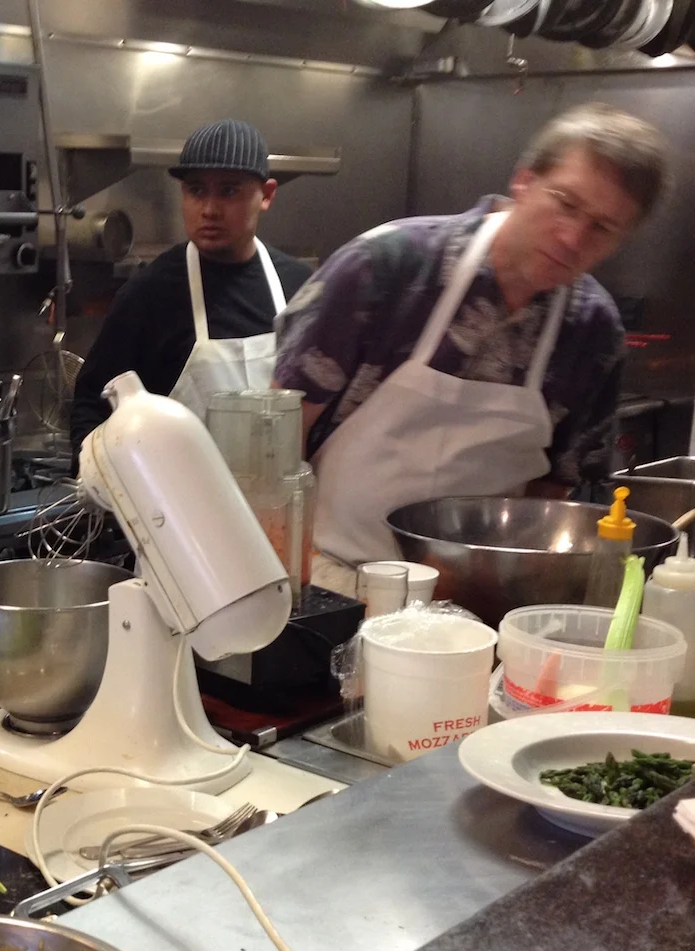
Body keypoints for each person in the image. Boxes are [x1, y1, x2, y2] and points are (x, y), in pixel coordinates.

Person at [273, 103, 670, 593]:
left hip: (476, 599)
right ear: (524, 181)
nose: (572, 238)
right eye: (565, 203)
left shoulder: (592, 333)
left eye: (602, 228)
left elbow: (555, 497)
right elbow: (276, 439)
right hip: (328, 577)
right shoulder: (386, 268)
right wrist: (293, 575)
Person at [68, 119, 313, 454]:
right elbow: (92, 406)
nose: (209, 210)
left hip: (277, 485)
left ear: (266, 195)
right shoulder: (149, 294)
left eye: (228, 191)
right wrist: (102, 477)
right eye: (196, 190)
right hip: (176, 488)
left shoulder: (299, 288)